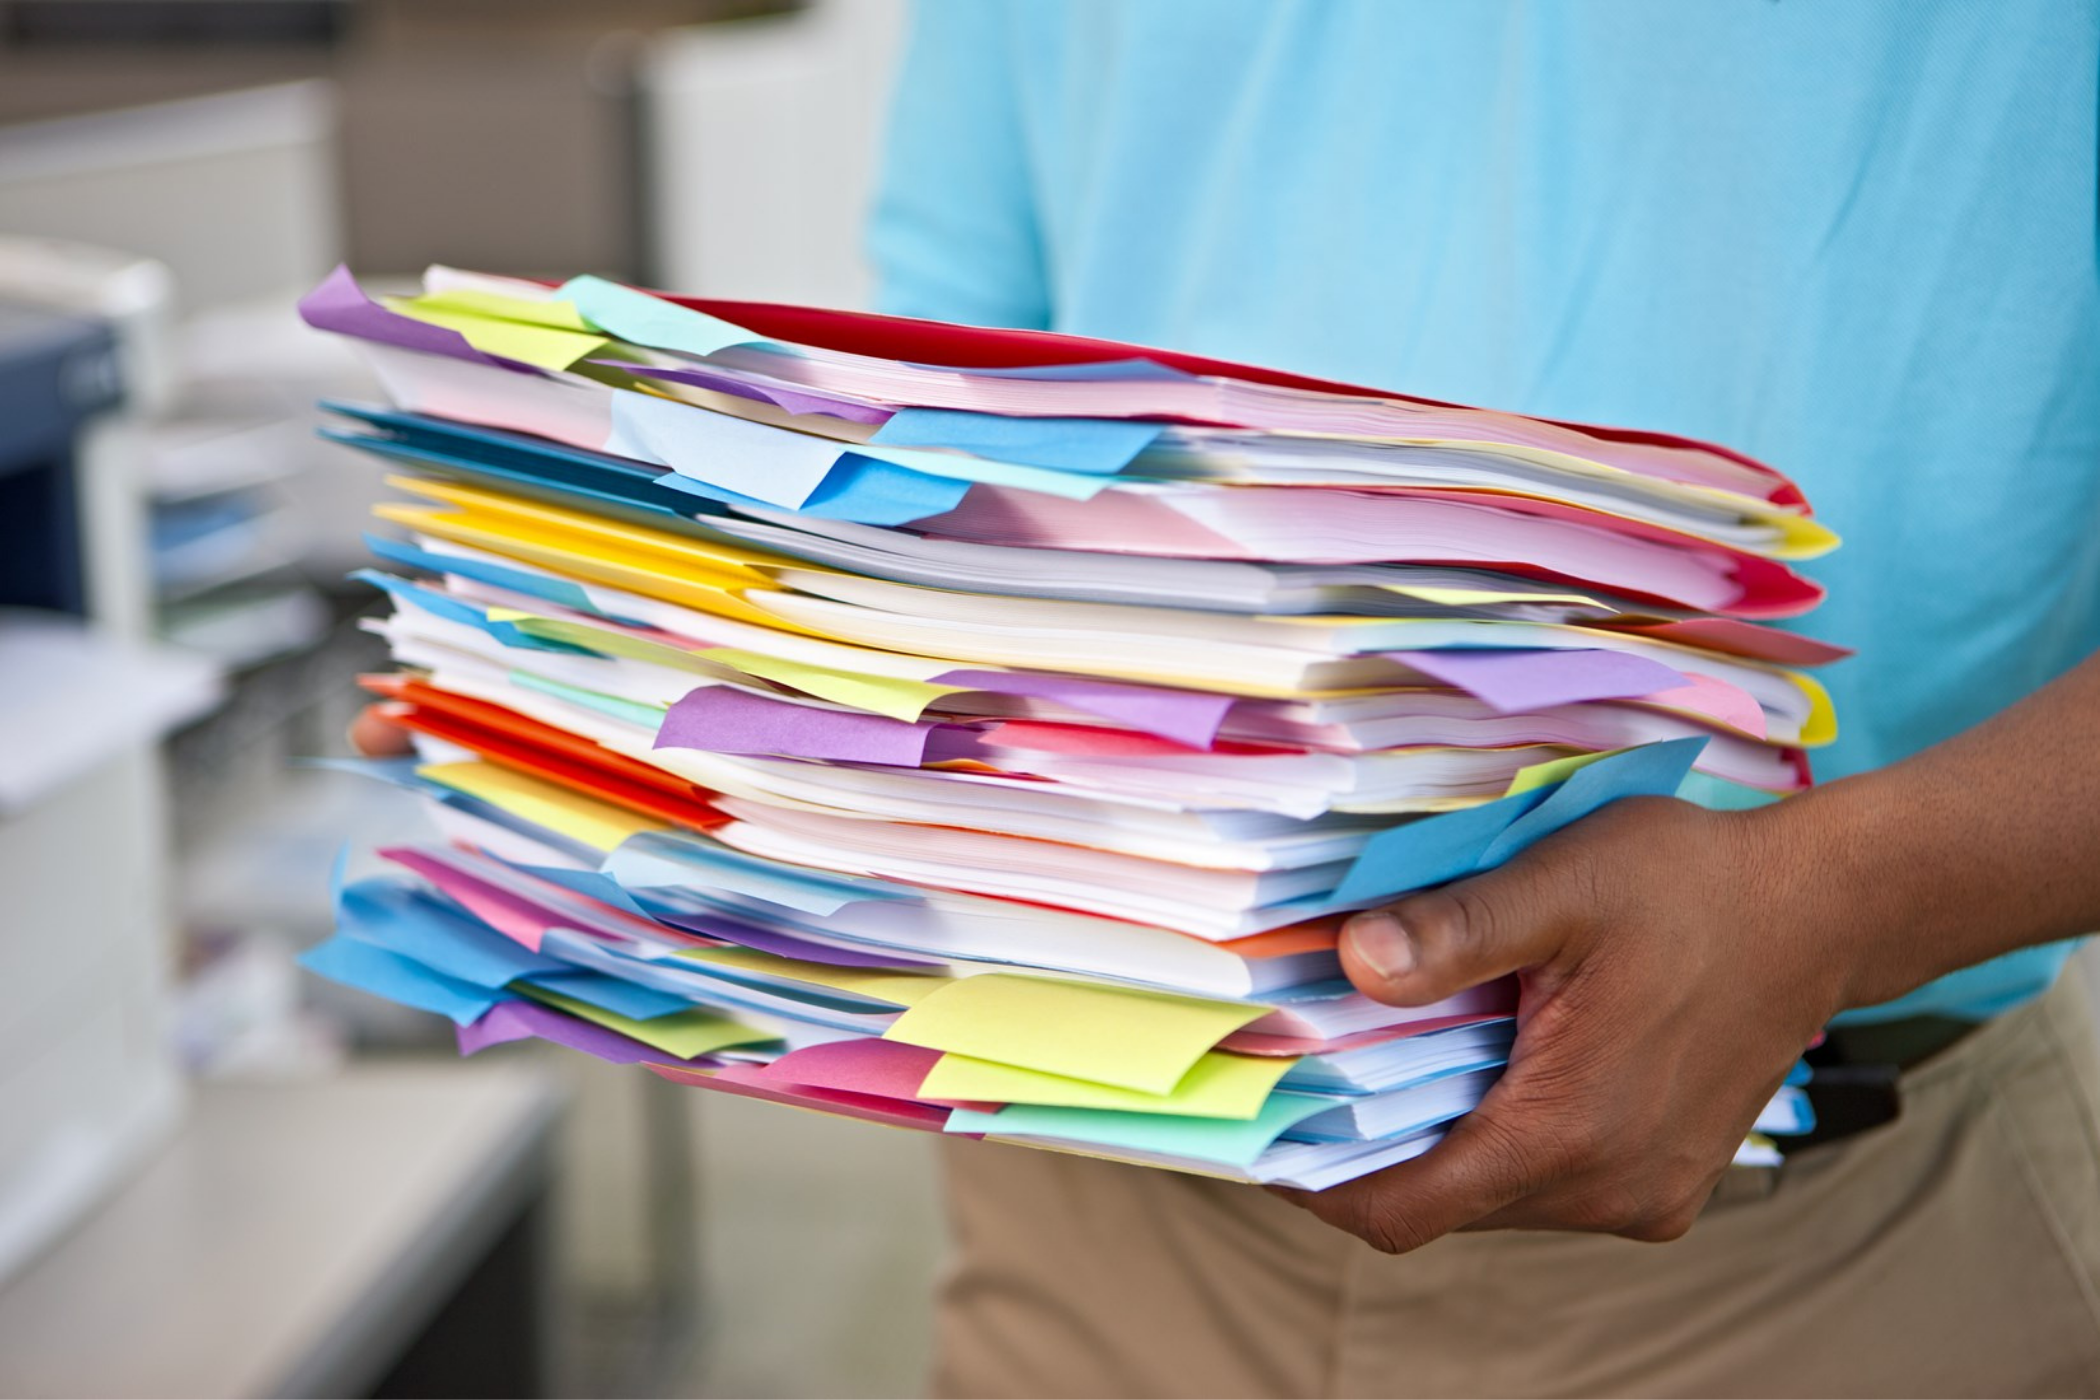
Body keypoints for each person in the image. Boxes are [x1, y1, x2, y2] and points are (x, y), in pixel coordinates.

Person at [352, 3, 2099, 1393]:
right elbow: (947, 409)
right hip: (1095, 1184)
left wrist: (1839, 894)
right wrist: (591, 661)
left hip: (1839, 1243)